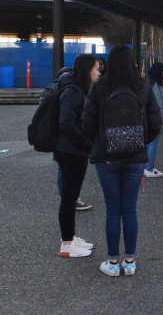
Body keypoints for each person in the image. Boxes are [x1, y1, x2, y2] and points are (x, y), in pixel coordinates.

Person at [83, 44, 162, 277]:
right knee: (129, 209)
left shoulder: (100, 87)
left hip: (107, 158)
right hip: (135, 158)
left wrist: (100, 142)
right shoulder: (143, 87)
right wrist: (139, 142)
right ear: (132, 63)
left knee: (112, 210)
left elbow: (87, 123)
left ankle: (112, 261)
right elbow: (155, 123)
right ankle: (129, 261)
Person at [54, 54, 100, 258]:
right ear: (87, 70)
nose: (99, 73)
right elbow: (66, 123)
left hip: (73, 151)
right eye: (97, 69)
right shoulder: (73, 91)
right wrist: (86, 143)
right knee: (69, 198)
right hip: (70, 151)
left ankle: (71, 237)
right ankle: (66, 244)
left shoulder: (76, 88)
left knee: (70, 196)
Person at [144, 62, 163, 178]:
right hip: (155, 119)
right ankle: (149, 168)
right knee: (153, 143)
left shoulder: (151, 84)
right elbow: (159, 105)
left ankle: (147, 167)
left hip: (150, 118)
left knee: (150, 143)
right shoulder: (156, 86)